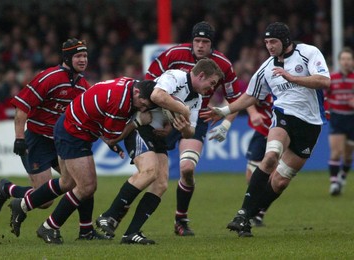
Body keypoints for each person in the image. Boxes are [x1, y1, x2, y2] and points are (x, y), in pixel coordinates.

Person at [201, 22, 330, 237]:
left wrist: (292, 78)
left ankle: (248, 217)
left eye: (273, 41)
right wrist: (224, 112)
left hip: (311, 124)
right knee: (270, 157)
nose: (269, 46)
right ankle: (242, 213)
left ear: (286, 41)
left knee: (280, 182)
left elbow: (324, 81)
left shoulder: (308, 52)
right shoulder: (266, 68)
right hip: (283, 115)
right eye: (267, 42)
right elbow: (250, 96)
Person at [8, 77, 157, 244]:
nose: (142, 109)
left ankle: (22, 205)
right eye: (142, 104)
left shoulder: (131, 85)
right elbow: (111, 138)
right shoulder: (120, 100)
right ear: (137, 92)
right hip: (74, 133)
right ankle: (49, 227)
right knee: (87, 186)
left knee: (67, 183)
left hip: (69, 126)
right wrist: (137, 122)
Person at [95, 58, 224, 245]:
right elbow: (156, 96)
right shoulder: (176, 76)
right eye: (211, 83)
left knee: (161, 183)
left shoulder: (197, 98)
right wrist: (183, 111)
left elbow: (191, 132)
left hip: (158, 135)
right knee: (149, 172)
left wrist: (183, 126)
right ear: (201, 75)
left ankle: (131, 232)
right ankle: (109, 215)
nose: (211, 88)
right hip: (141, 127)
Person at [0, 38, 106, 240]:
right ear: (67, 58)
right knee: (45, 201)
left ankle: (86, 230)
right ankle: (7, 188)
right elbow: (22, 106)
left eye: (85, 56)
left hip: (61, 141)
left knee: (83, 181)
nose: (83, 60)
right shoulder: (49, 77)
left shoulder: (82, 85)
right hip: (37, 140)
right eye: (78, 56)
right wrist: (19, 137)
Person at [145, 21, 241, 236]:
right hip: (164, 116)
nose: (200, 46)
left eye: (205, 42)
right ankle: (118, 216)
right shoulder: (173, 54)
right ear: (191, 41)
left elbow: (236, 99)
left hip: (196, 118)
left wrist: (226, 123)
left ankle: (181, 219)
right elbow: (149, 84)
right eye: (197, 41)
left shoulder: (223, 64)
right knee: (150, 175)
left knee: (187, 169)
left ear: (211, 44)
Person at [324, 47, 354, 196]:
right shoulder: (331, 79)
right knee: (336, 152)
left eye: (349, 59)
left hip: (352, 119)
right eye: (344, 59)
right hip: (337, 118)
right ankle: (334, 183)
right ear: (339, 61)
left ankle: (342, 176)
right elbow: (324, 97)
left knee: (348, 156)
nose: (346, 62)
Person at [243, 94, 273, 226]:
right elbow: (248, 98)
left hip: (283, 134)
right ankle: (254, 210)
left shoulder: (295, 82)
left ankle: (259, 213)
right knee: (251, 176)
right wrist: (254, 113)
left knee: (275, 177)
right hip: (262, 132)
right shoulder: (265, 80)